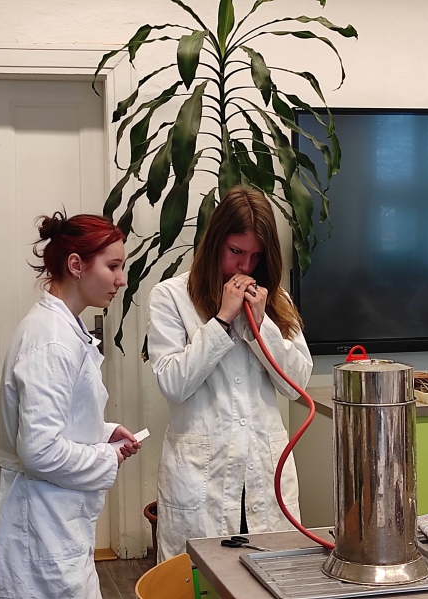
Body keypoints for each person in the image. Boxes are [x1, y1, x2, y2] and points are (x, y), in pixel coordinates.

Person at [146, 185, 313, 562]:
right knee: (199, 579)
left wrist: (262, 325)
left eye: (255, 256)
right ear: (215, 243)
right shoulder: (171, 296)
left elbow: (297, 384)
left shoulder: (276, 300)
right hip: (201, 479)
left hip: (263, 476)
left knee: (271, 576)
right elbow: (173, 383)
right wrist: (222, 321)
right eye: (236, 251)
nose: (244, 266)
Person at [0, 212, 141, 599]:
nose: (121, 279)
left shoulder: (62, 328)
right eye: (113, 267)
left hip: (50, 519)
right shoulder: (52, 340)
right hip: (40, 525)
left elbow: (54, 417)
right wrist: (105, 457)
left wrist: (102, 432)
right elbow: (39, 450)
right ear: (76, 265)